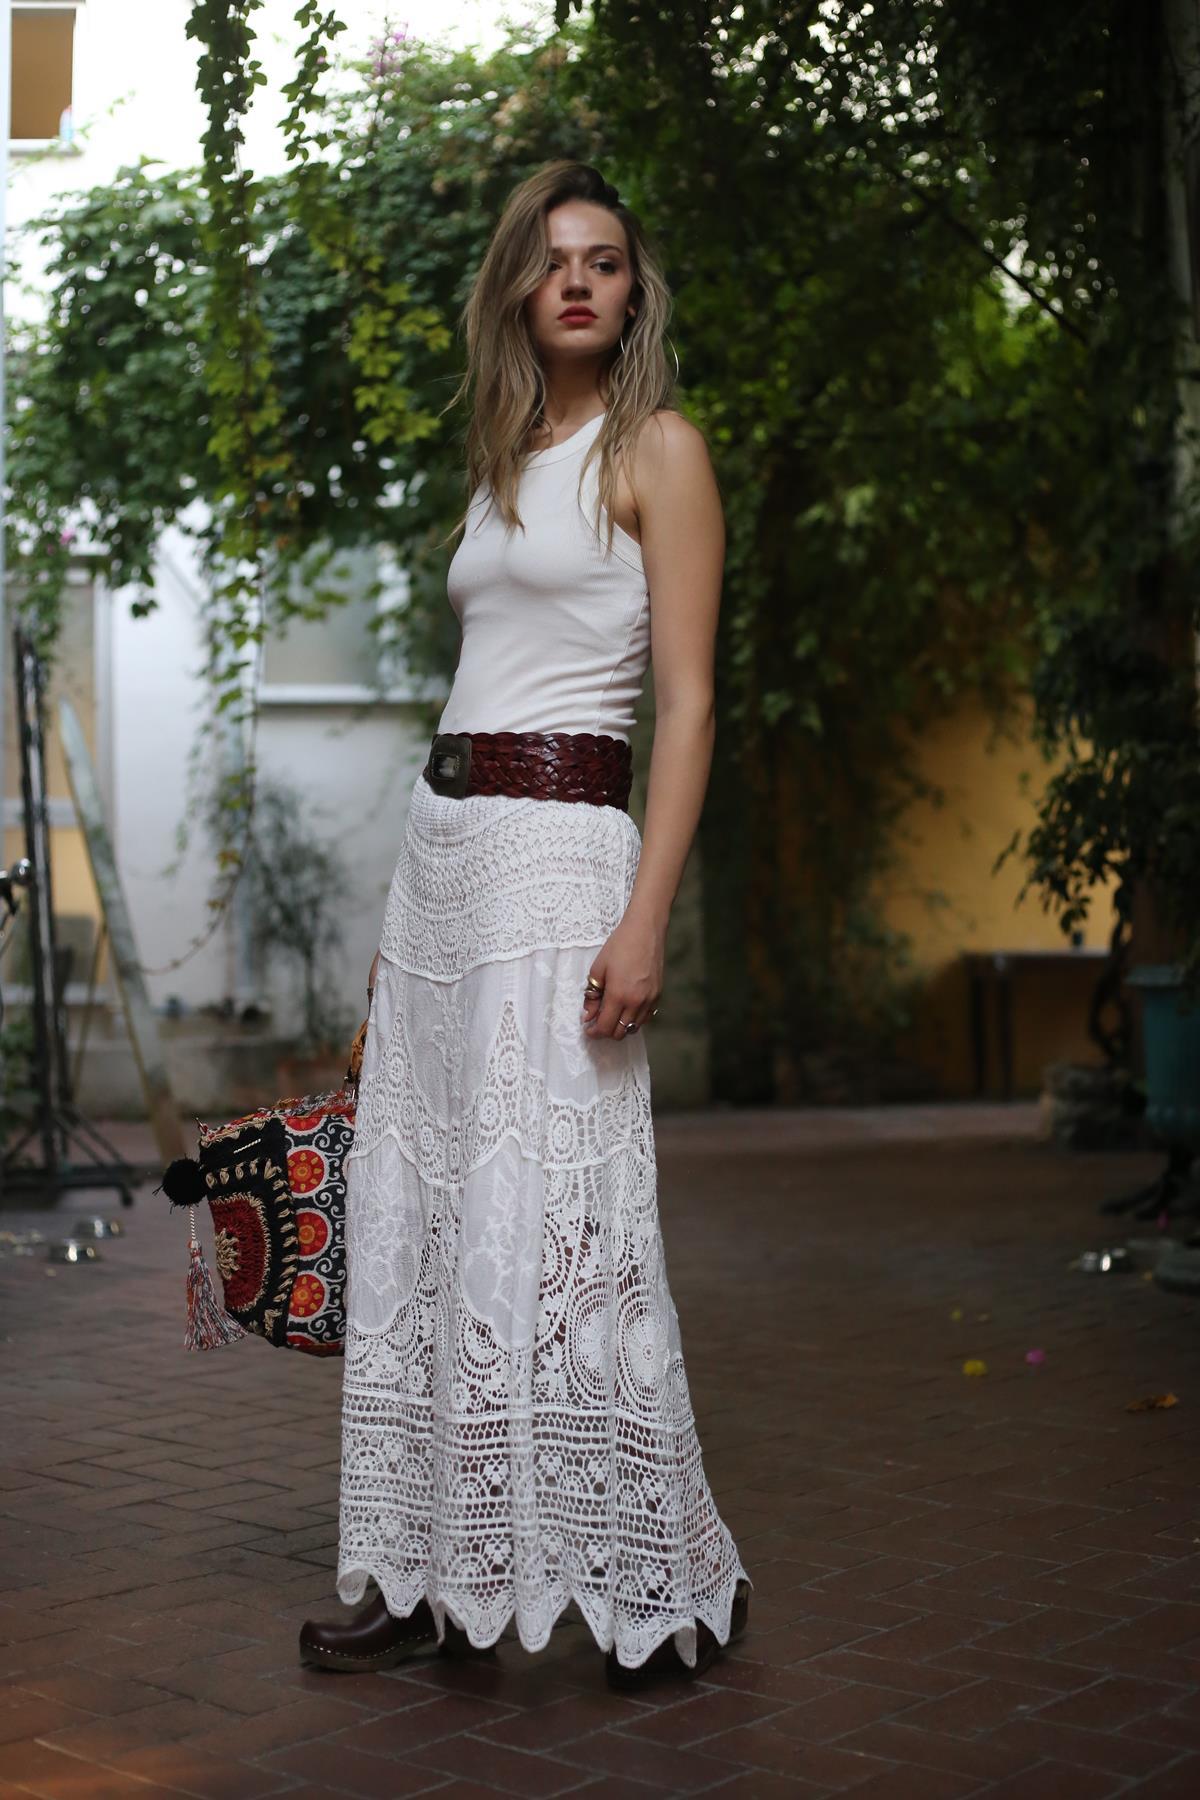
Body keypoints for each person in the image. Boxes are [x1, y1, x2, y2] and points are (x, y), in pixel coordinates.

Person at [299, 159, 750, 1690]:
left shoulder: (658, 450)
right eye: (553, 260)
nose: (577, 282)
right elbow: (469, 688)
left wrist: (648, 918)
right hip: (446, 860)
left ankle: (652, 1575)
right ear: (516, 286)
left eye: (604, 261)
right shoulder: (502, 463)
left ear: (633, 290)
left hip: (566, 859)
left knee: (564, 1227)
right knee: (426, 1219)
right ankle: (430, 1571)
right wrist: (398, 933)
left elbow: (688, 704)